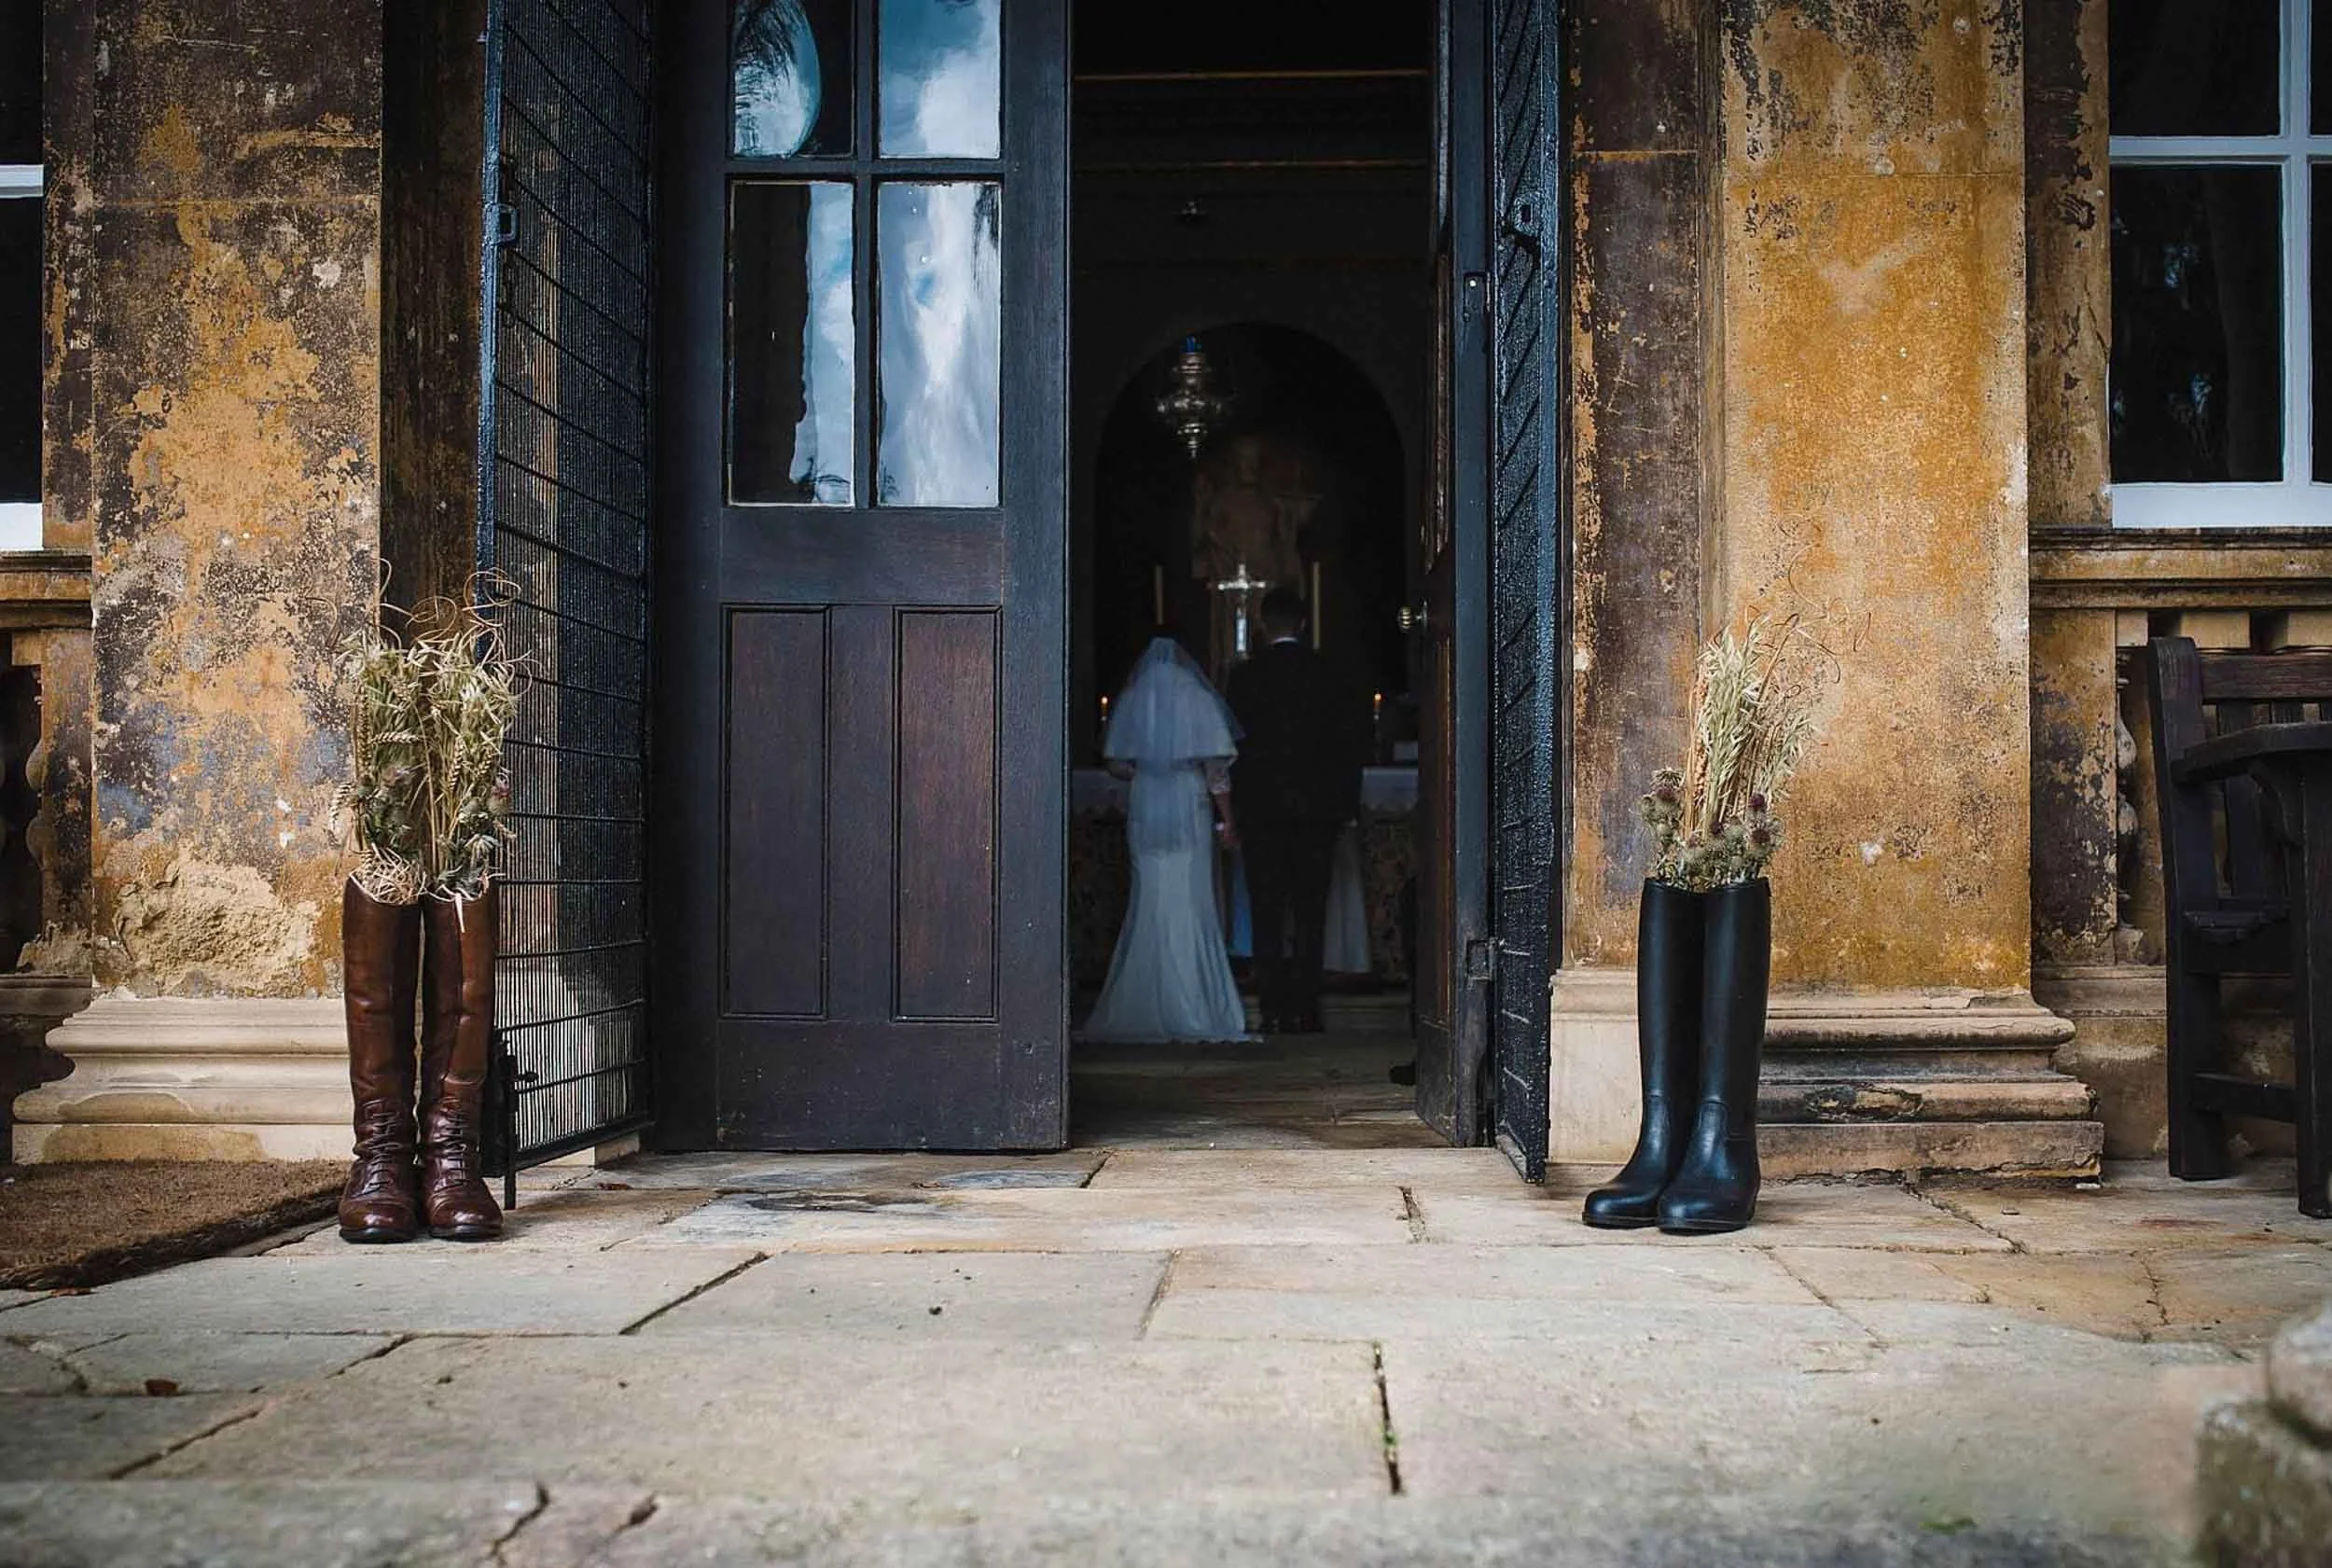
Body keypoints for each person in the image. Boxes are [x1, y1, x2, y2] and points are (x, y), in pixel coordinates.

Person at [1082, 637, 1251, 1043]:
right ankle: (1196, 1004)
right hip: (1187, 798)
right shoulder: (1195, 695)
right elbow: (1216, 769)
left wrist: (1147, 773)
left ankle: (1140, 1002)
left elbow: (1117, 764)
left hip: (1148, 800)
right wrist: (1228, 819)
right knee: (1191, 898)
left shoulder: (1135, 696)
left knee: (1150, 896)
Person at [1225, 586, 1368, 1034]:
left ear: (1266, 625)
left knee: (1266, 911)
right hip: (1316, 814)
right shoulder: (1328, 673)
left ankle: (1271, 1008)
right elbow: (1349, 745)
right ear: (1303, 624)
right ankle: (1306, 1008)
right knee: (1310, 911)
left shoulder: (1244, 678)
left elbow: (1233, 749)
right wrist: (1346, 806)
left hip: (1261, 813)